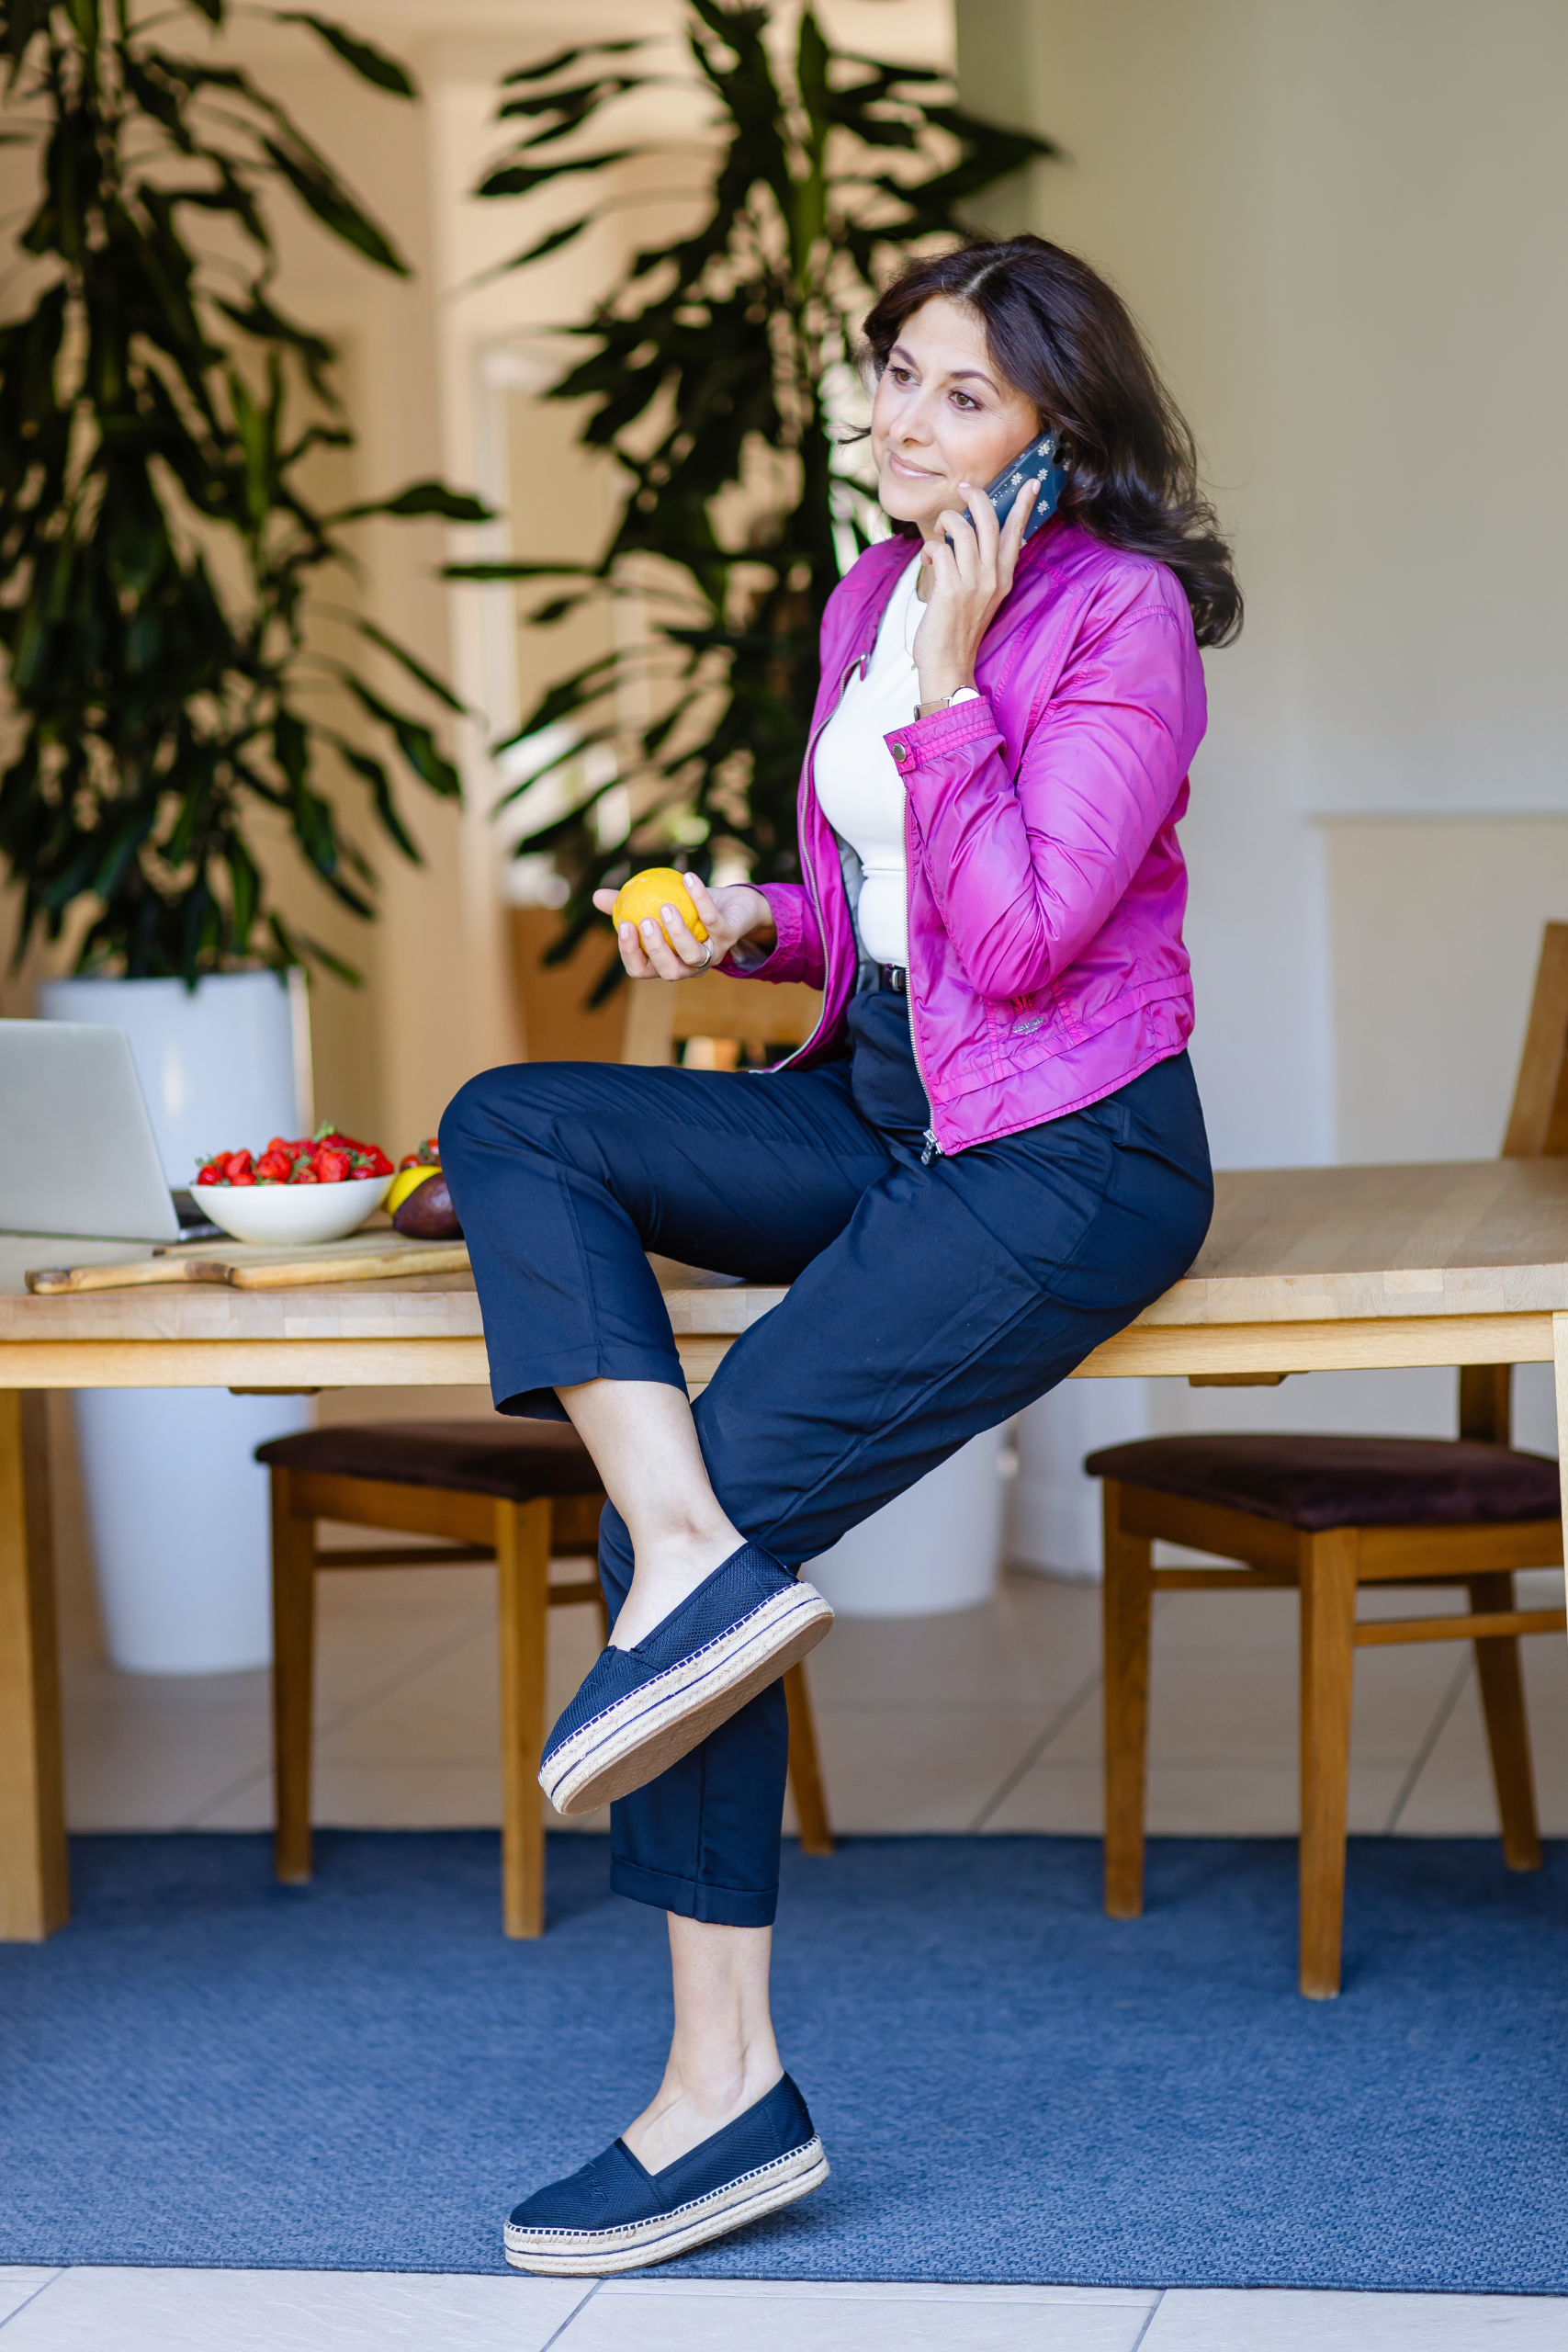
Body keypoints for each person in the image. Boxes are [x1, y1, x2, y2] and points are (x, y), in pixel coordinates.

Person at [440, 232, 1241, 2276]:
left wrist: (963, 689)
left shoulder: (1116, 613)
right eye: (893, 373)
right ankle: (688, 1551)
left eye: (958, 393)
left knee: (704, 1511)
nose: (901, 418)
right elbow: (881, 912)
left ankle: (723, 2095)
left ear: (1062, 430)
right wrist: (742, 917)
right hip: (886, 1092)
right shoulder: (868, 597)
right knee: (517, 1118)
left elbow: (1025, 935)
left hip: (1065, 1148)